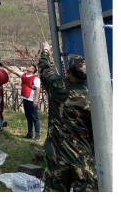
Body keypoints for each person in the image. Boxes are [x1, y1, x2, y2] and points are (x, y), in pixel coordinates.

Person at [39, 41, 98, 192]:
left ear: (68, 72)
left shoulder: (57, 87)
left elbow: (45, 70)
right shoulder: (93, 98)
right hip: (82, 159)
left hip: (56, 157)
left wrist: (46, 51)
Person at [2, 62, 41, 140]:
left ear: (33, 70)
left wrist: (36, 100)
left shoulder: (36, 78)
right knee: (28, 117)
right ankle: (29, 133)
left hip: (31, 100)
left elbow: (38, 89)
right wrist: (5, 66)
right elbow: (13, 71)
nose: (28, 66)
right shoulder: (23, 75)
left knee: (35, 118)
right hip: (25, 99)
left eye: (29, 66)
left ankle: (37, 135)